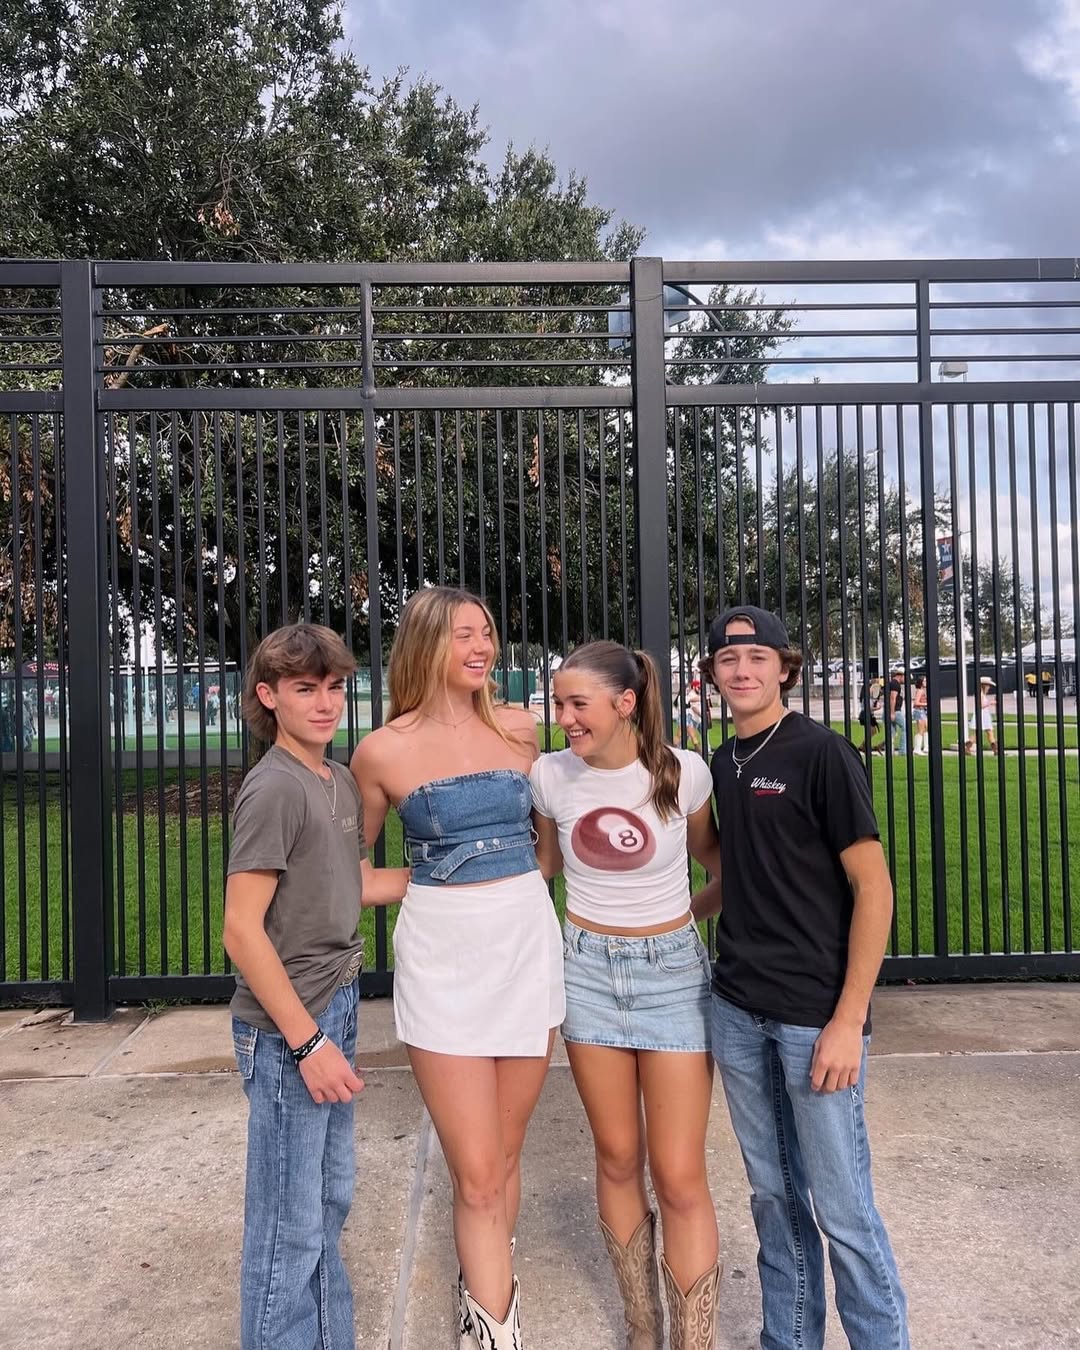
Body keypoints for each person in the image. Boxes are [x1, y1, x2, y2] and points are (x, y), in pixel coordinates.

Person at [349, 586, 564, 1350]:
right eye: (464, 635)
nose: (482, 648)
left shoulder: (520, 729)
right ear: (426, 644)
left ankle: (482, 1289)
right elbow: (349, 873)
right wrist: (434, 876)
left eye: (487, 633)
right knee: (475, 1172)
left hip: (525, 953)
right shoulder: (381, 751)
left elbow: (547, 852)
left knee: (501, 1160)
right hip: (443, 965)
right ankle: (497, 1334)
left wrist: (508, 879)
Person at [694, 605, 909, 1350]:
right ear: (712, 673)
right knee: (773, 1198)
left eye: (758, 658)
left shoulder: (822, 754)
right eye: (728, 659)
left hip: (813, 1016)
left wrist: (848, 1020)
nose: (742, 670)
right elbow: (739, 874)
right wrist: (672, 918)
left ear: (785, 669)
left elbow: (874, 889)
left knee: (843, 1211)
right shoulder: (723, 762)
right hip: (736, 1007)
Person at [222, 623, 410, 1350]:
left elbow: (356, 884)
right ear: (269, 696)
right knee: (288, 1226)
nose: (326, 703)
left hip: (336, 1000)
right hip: (288, 1030)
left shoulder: (335, 779)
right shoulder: (274, 788)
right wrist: (307, 1045)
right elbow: (241, 930)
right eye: (306, 688)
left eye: (335, 687)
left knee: (327, 1204)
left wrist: (466, 871)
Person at [532, 640, 723, 1350]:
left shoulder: (683, 773)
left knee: (679, 1173)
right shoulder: (550, 776)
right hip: (586, 972)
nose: (564, 719)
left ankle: (692, 1342)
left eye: (577, 704)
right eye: (559, 704)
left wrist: (679, 923)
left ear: (625, 702)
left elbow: (722, 864)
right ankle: (643, 1330)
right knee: (616, 1155)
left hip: (671, 976)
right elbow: (543, 868)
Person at [965, 675, 998, 756]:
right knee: (984, 732)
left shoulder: (982, 694)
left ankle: (995, 750)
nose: (989, 687)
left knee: (988, 732)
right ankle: (995, 750)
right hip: (982, 715)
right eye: (988, 685)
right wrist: (990, 703)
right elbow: (981, 705)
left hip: (984, 714)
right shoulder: (980, 694)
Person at [856, 676, 883, 754]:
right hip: (865, 715)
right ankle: (864, 745)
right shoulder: (866, 697)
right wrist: (877, 708)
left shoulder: (871, 697)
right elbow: (868, 708)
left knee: (873, 731)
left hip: (869, 715)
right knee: (871, 731)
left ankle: (864, 745)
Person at [886, 662, 909, 756]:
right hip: (895, 711)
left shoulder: (892, 683)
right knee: (905, 728)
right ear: (901, 675)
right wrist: (892, 712)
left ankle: (889, 751)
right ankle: (903, 751)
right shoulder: (895, 684)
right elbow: (892, 698)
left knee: (891, 732)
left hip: (891, 710)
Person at [911, 674, 929, 755]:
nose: (926, 682)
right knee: (920, 730)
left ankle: (926, 747)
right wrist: (926, 704)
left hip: (923, 711)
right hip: (919, 711)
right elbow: (916, 703)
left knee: (925, 728)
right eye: (924, 681)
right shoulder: (920, 691)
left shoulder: (922, 690)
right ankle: (917, 748)